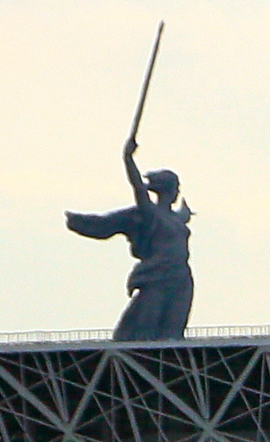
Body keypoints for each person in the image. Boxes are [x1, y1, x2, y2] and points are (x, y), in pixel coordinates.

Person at [64, 133, 193, 340]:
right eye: (176, 187)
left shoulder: (176, 219)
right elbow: (138, 188)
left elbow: (183, 216)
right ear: (168, 189)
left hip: (181, 277)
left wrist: (186, 213)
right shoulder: (152, 213)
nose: (178, 191)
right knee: (145, 329)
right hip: (157, 276)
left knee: (173, 332)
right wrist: (128, 158)